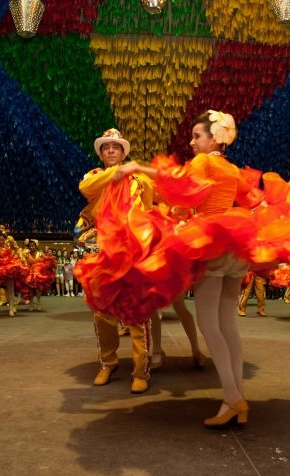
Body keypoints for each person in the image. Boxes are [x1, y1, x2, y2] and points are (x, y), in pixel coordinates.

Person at [112, 110, 264, 425]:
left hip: (210, 243)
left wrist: (137, 167)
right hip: (235, 245)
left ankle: (233, 399)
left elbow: (177, 180)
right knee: (227, 325)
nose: (192, 142)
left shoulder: (204, 161)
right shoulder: (231, 168)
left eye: (197, 136)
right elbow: (253, 202)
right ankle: (238, 399)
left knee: (209, 324)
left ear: (214, 139)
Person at [78, 128, 153, 394]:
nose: (110, 150)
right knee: (102, 314)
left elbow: (149, 204)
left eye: (116, 147)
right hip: (106, 253)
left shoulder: (139, 178)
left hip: (134, 251)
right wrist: (117, 172)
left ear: (123, 152)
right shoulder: (95, 176)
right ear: (100, 153)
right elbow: (85, 189)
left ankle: (141, 370)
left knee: (137, 313)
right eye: (106, 147)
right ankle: (108, 363)